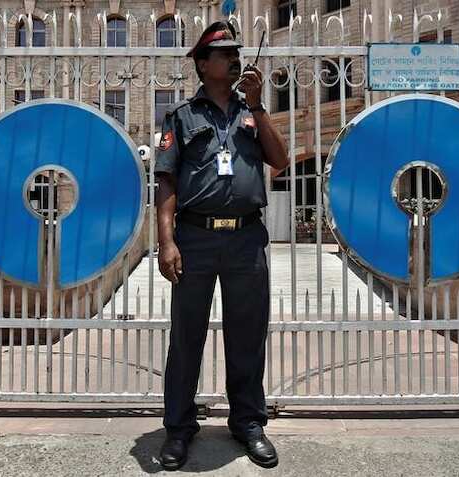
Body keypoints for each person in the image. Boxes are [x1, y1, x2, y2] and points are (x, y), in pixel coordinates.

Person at [152, 21, 289, 471]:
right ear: (202, 64)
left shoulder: (252, 114)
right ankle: (178, 428)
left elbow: (281, 160)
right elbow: (167, 180)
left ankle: (248, 422)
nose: (234, 58)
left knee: (247, 336)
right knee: (186, 337)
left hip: (246, 238)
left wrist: (260, 106)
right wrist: (166, 241)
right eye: (224, 53)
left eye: (236, 51)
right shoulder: (181, 117)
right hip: (196, 238)